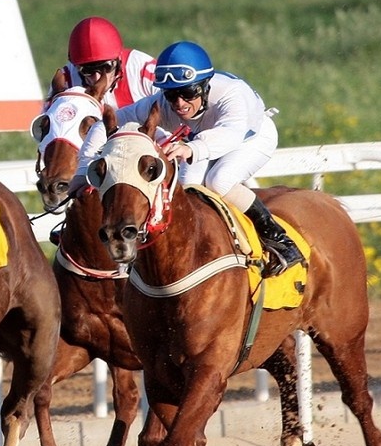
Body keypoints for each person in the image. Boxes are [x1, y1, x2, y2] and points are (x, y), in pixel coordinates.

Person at [75, 40, 304, 276]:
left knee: (219, 180)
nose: (179, 104)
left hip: (252, 137)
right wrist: (83, 169)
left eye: (188, 93)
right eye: (172, 95)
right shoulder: (163, 104)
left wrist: (193, 148)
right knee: (186, 188)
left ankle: (280, 240)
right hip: (204, 140)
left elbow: (231, 134)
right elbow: (105, 125)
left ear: (205, 86)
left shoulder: (231, 95)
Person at [48, 16, 156, 110]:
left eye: (106, 67)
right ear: (76, 67)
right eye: (87, 70)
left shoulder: (144, 70)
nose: (97, 78)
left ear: (118, 60)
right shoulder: (66, 81)